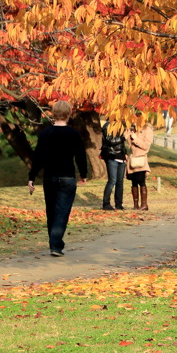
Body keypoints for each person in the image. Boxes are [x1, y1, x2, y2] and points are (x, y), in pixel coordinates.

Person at [27, 100, 88, 256]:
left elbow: (38, 157)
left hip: (50, 177)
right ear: (69, 114)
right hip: (67, 177)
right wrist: (83, 174)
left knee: (51, 212)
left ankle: (54, 244)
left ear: (53, 114)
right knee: (62, 212)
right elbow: (80, 155)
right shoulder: (73, 134)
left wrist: (31, 177)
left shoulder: (45, 133)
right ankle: (56, 245)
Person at [126, 114, 154, 210]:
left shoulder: (147, 130)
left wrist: (135, 138)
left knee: (141, 182)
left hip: (141, 159)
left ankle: (144, 204)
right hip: (133, 159)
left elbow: (146, 146)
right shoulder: (134, 128)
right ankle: (135, 204)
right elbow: (130, 145)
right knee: (133, 182)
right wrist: (128, 136)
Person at [100, 120, 127, 210]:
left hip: (121, 156)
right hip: (112, 156)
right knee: (112, 180)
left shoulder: (121, 125)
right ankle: (106, 203)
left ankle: (119, 204)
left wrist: (125, 153)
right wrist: (124, 137)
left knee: (120, 181)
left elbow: (122, 144)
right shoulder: (108, 126)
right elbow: (110, 141)